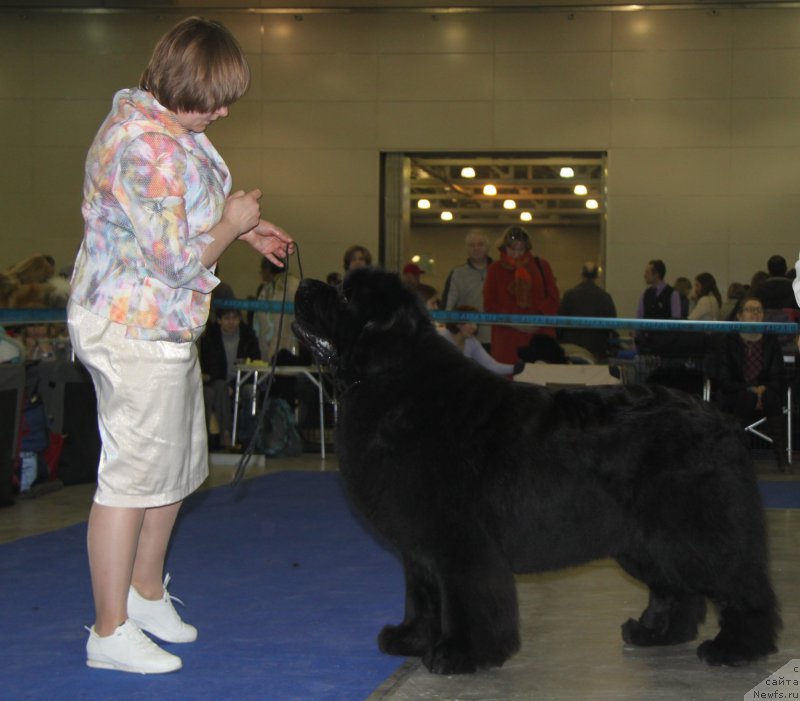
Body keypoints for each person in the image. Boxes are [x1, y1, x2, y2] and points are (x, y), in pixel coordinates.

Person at [66, 17, 293, 675]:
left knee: (175, 466)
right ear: (182, 83)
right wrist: (231, 224)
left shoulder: (170, 127)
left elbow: (181, 211)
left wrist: (243, 231)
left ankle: (144, 591)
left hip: (163, 321)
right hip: (131, 321)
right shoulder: (143, 145)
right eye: (215, 99)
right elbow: (173, 261)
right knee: (131, 478)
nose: (223, 111)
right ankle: (108, 630)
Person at [715, 295, 788, 471]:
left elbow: (778, 375)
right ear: (739, 316)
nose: (755, 314)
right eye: (750, 310)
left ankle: (782, 459)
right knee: (746, 398)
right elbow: (723, 379)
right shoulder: (727, 341)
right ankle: (736, 458)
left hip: (767, 391)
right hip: (736, 392)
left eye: (758, 310)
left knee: (772, 399)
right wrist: (750, 389)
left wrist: (762, 389)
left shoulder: (771, 340)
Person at [483, 226, 560, 365]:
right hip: (507, 337)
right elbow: (490, 305)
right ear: (503, 247)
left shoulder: (542, 265)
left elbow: (553, 298)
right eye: (512, 249)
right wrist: (516, 323)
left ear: (527, 248)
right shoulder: (495, 269)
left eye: (521, 249)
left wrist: (538, 319)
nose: (516, 254)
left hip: (539, 335)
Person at [199, 308, 260, 449]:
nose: (231, 322)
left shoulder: (249, 338)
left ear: (239, 319)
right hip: (217, 381)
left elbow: (255, 363)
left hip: (242, 382)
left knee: (251, 391)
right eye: (227, 318)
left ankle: (250, 438)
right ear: (219, 320)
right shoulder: (210, 338)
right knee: (220, 388)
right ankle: (226, 434)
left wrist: (233, 385)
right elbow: (209, 367)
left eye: (235, 317)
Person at [556, 261, 617, 362]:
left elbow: (559, 324)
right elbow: (612, 324)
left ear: (581, 273)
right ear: (597, 275)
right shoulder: (605, 297)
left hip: (571, 349)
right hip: (596, 350)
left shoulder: (569, 295)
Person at [442, 233, 493, 350]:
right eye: (471, 245)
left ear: (488, 248)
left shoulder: (500, 272)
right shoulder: (457, 273)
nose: (476, 248)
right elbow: (448, 305)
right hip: (467, 338)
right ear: (466, 249)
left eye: (480, 244)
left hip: (496, 337)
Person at [439, 305, 523, 376]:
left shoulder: (472, 342)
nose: (475, 327)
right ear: (458, 323)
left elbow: (491, 365)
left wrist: (514, 369)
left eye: (476, 323)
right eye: (471, 322)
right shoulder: (441, 339)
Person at [253, 257, 300, 363]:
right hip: (270, 343)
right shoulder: (268, 288)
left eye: (262, 271)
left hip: (287, 344)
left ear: (267, 270)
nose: (261, 274)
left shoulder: (292, 286)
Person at [635, 259, 682, 354]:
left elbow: (676, 320)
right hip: (646, 344)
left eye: (647, 272)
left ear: (656, 274)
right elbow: (639, 318)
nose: (645, 275)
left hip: (666, 346)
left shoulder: (673, 294)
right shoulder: (645, 294)